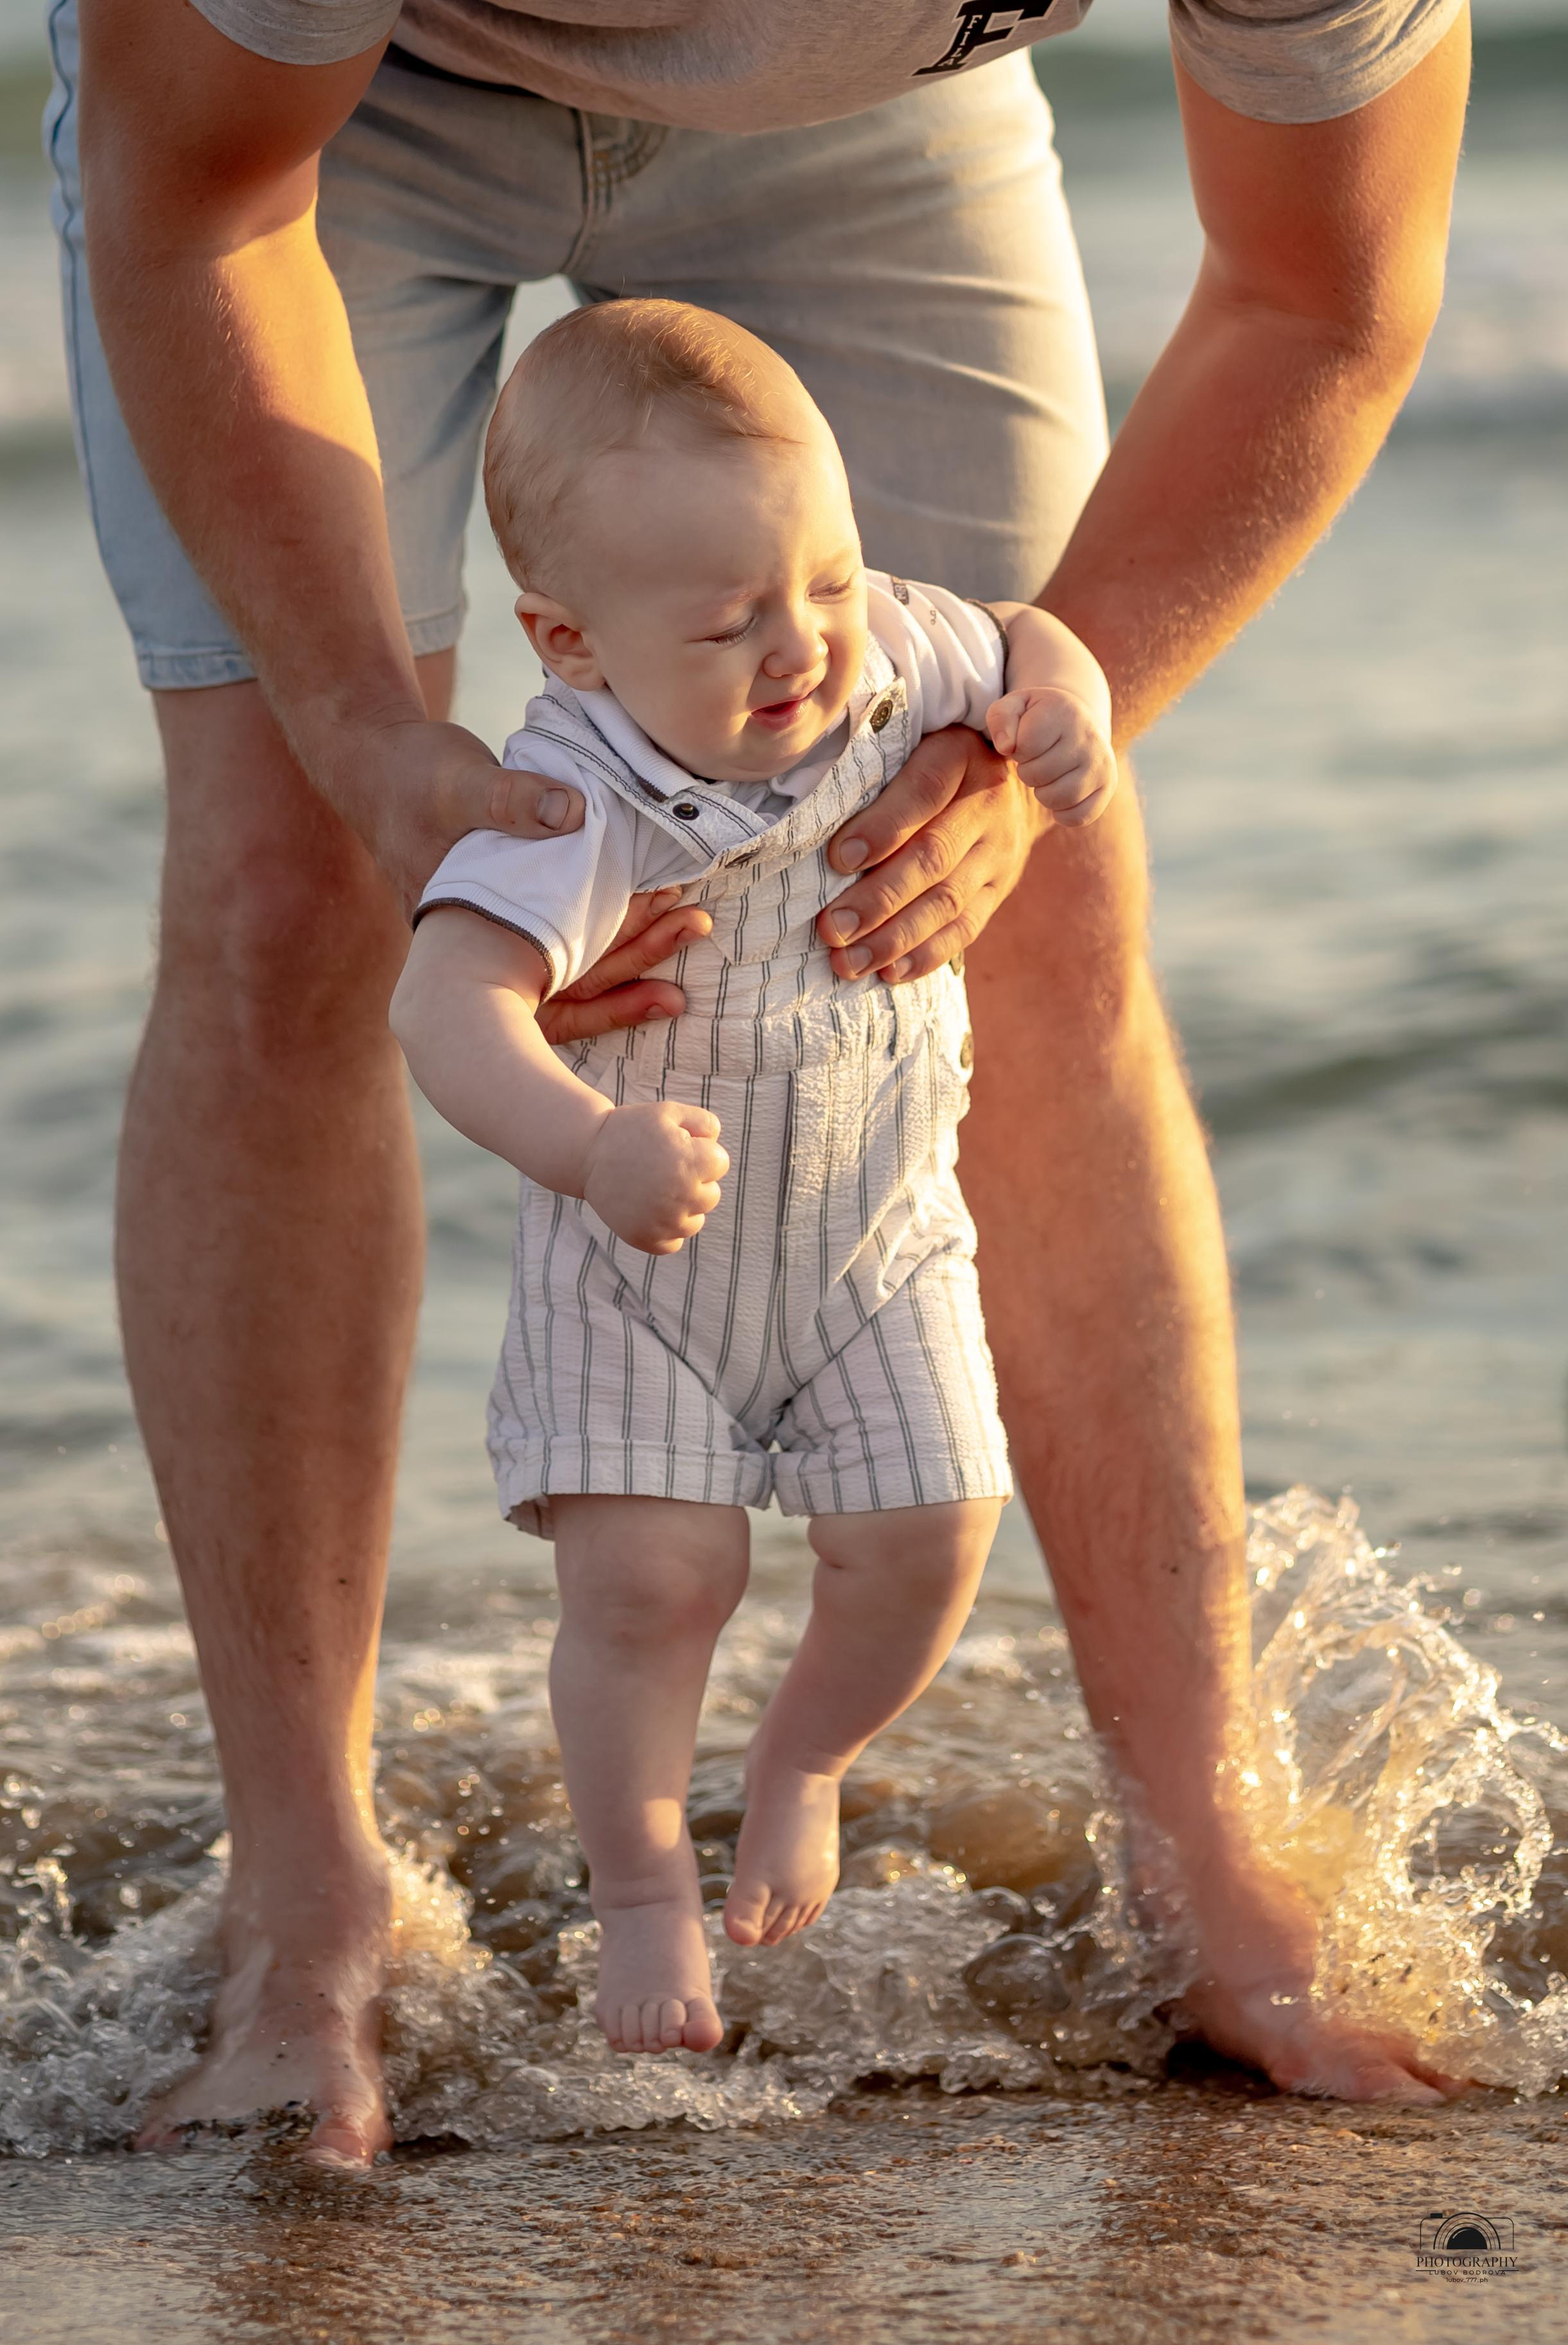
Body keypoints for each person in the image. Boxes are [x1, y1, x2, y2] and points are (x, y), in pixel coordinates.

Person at [53, 0, 1472, 2165]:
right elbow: (201, 205)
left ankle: (1208, 1872)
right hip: (334, 122)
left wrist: (1026, 746)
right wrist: (359, 732)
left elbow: (1323, 291)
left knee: (1039, 887)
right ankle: (302, 1909)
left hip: (869, 116)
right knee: (289, 889)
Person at [392, 299, 1118, 2055]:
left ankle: (805, 1760)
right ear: (570, 642)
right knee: (651, 1585)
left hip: (877, 1234)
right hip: (644, 1267)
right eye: (729, 620)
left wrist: (1069, 709)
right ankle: (644, 1899)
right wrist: (587, 1141)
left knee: (930, 1526)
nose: (803, 641)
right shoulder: (578, 797)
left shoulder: (881, 642)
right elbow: (445, 1001)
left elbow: (1028, 631)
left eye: (824, 574)